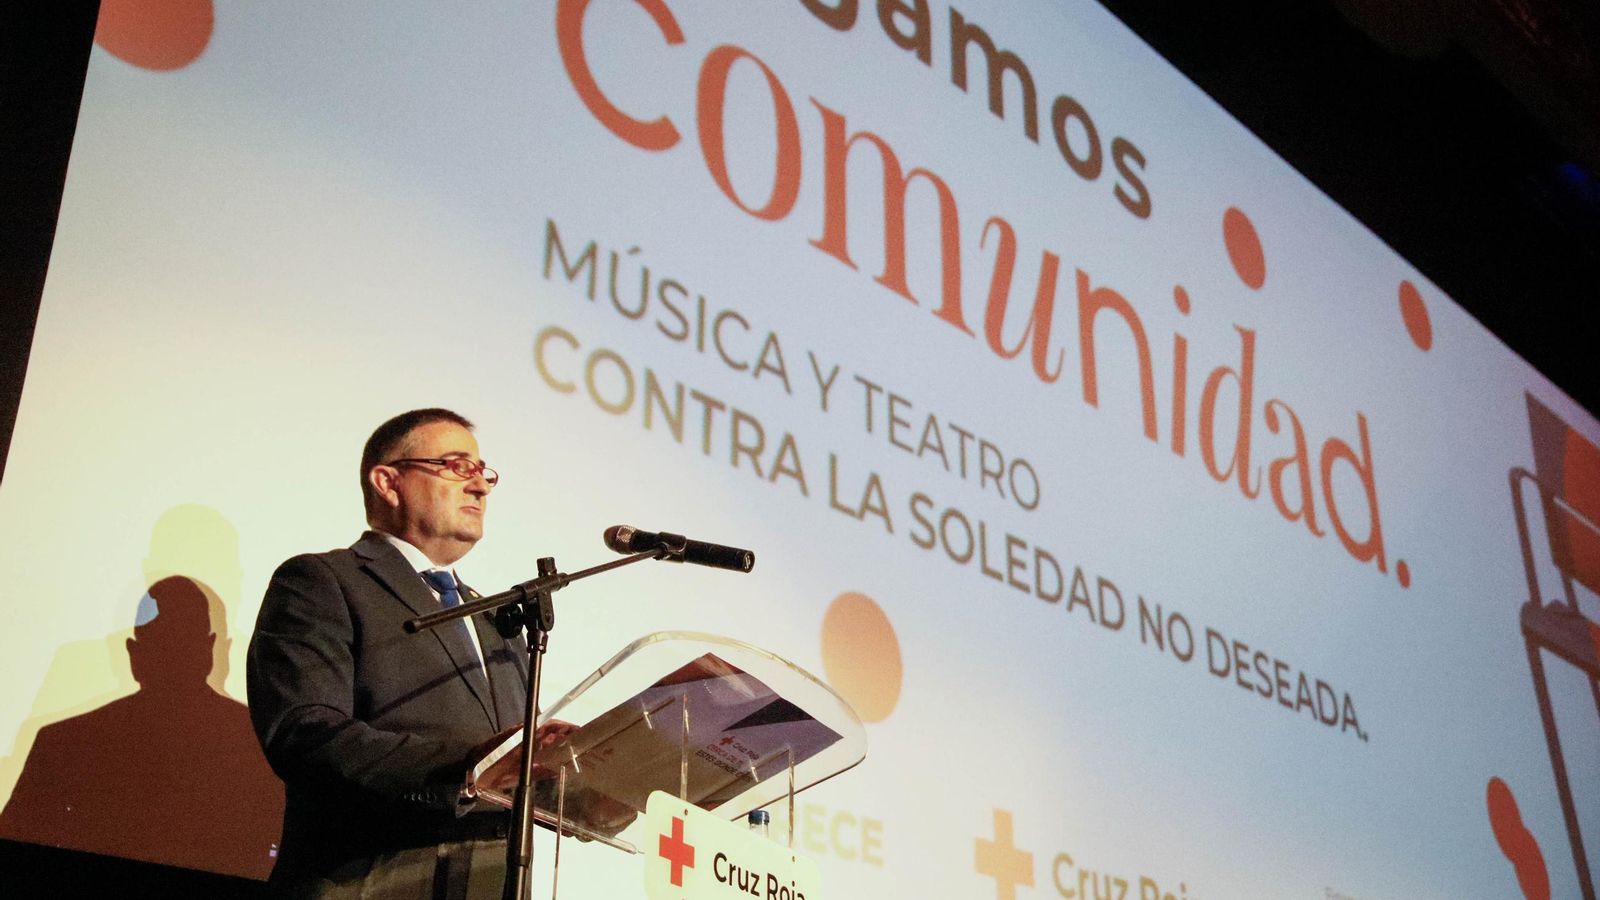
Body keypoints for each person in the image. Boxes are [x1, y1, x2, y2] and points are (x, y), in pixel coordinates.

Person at [248, 408, 565, 898]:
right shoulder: (323, 581)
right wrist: (467, 765)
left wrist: (588, 785)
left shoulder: (495, 615)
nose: (480, 486)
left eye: (483, 473)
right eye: (458, 466)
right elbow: (304, 734)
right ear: (387, 481)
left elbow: (518, 767)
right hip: (367, 878)